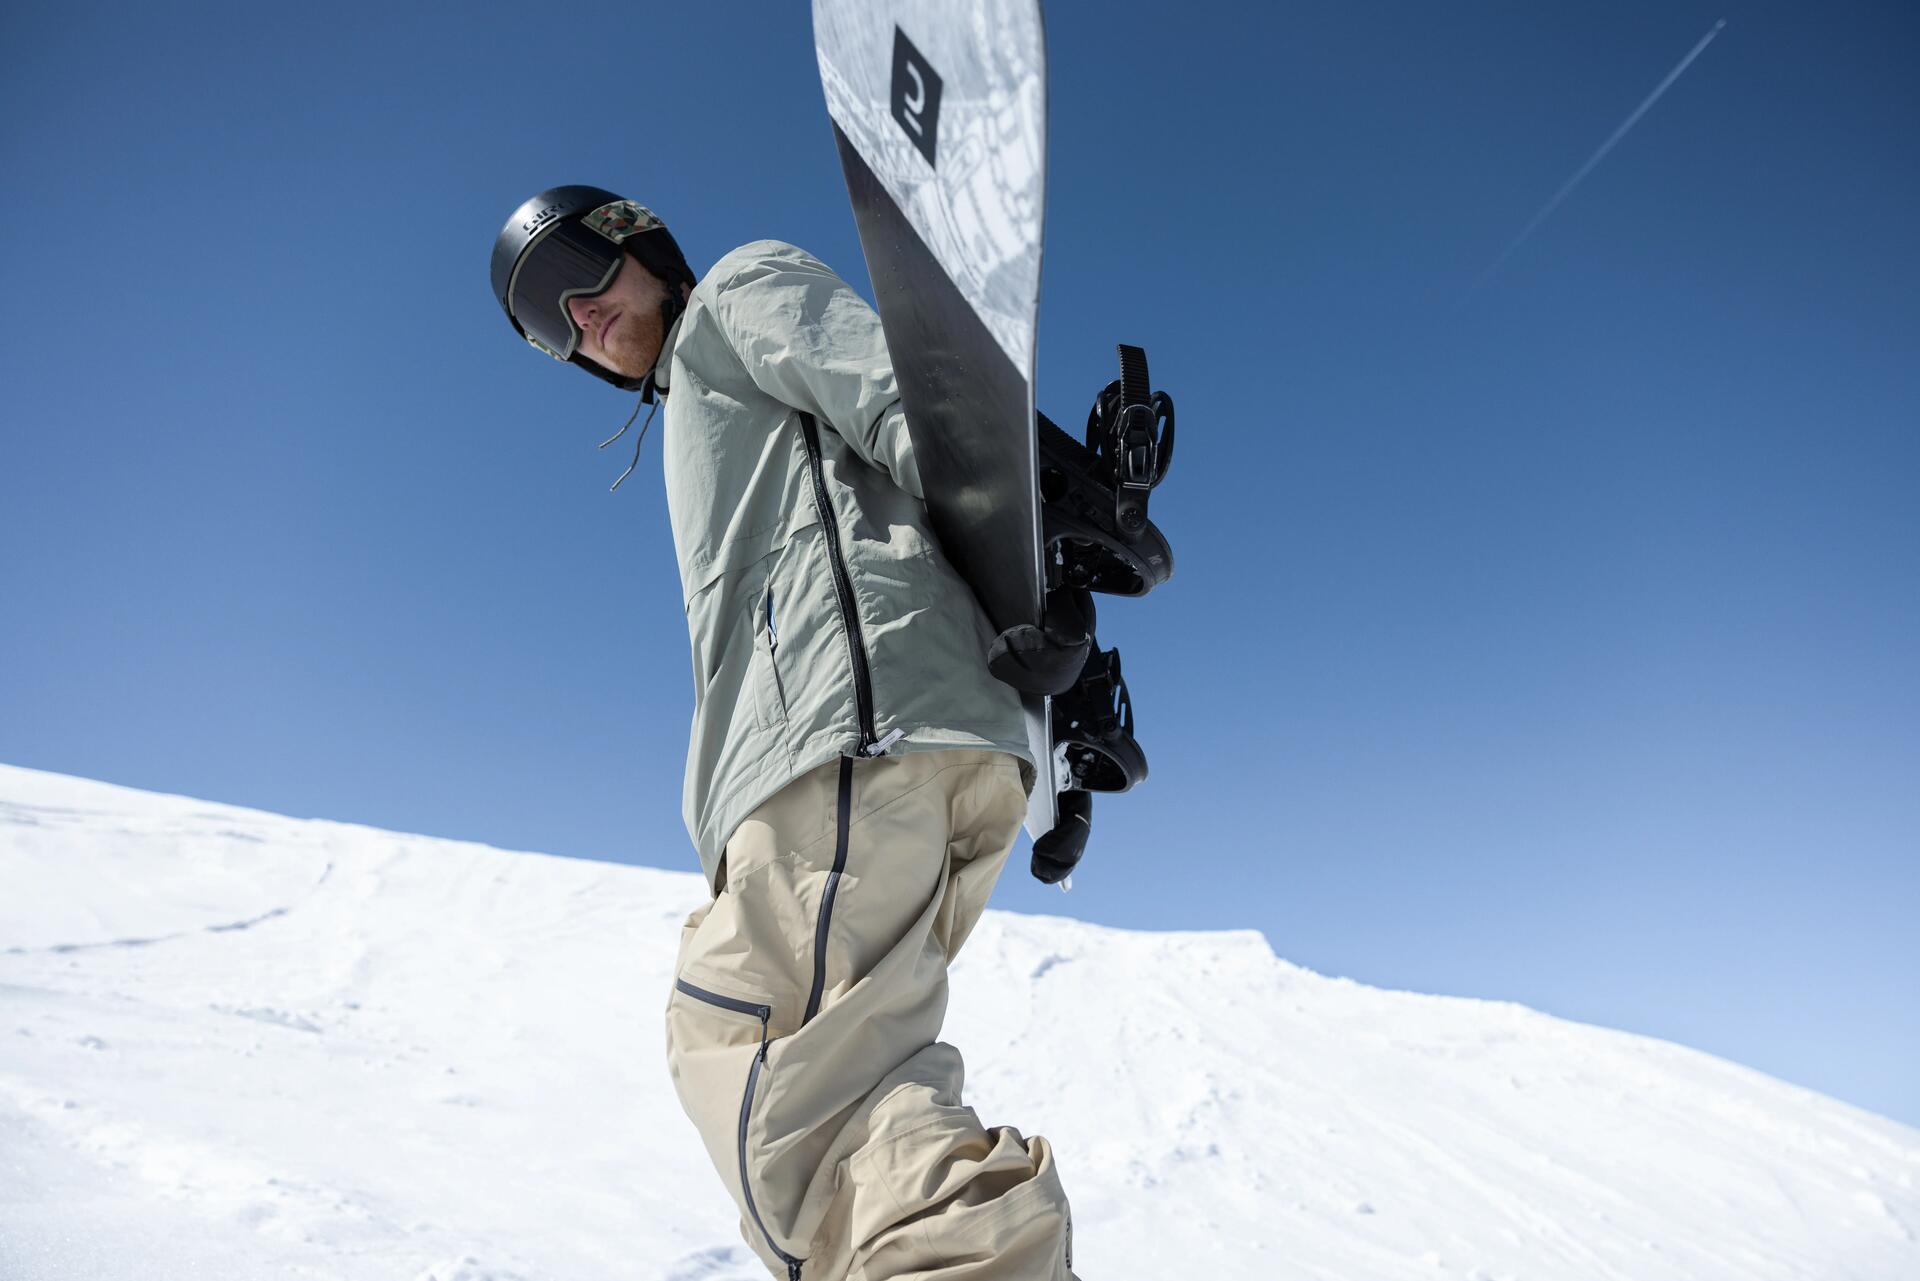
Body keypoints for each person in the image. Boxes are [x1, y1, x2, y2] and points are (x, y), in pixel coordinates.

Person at [491, 186, 1078, 1281]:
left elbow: (891, 394)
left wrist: (1024, 487)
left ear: (638, 241)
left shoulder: (731, 298)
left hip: (843, 741)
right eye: (542, 322)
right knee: (845, 1105)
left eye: (575, 274)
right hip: (879, 751)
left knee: (778, 1090)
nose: (578, 318)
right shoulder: (699, 411)